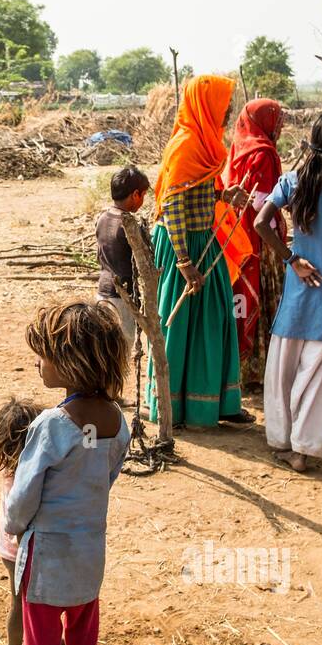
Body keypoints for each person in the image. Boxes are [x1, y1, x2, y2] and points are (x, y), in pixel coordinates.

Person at [2, 301, 131, 645]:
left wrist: (13, 527)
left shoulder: (51, 425)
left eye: (44, 353)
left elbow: (22, 497)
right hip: (89, 558)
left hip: (47, 562)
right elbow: (106, 477)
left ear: (72, 362)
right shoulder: (118, 422)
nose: (37, 362)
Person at [253, 112, 322, 472]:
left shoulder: (291, 181)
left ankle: (283, 441)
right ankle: (303, 450)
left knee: (282, 368)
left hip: (299, 286)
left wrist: (293, 259)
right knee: (318, 375)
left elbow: (260, 223)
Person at [144, 75, 254, 428]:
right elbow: (172, 207)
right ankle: (174, 406)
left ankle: (214, 405)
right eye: (223, 104)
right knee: (179, 325)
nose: (228, 112)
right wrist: (185, 263)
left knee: (214, 317)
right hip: (182, 245)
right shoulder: (186, 145)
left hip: (201, 240)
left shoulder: (205, 142)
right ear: (205, 105)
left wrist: (225, 195)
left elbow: (196, 194)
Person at [216, 98, 285, 390]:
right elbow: (264, 201)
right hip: (259, 237)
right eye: (278, 120)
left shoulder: (237, 149)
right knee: (265, 295)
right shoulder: (264, 153)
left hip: (235, 238)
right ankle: (261, 371)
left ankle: (239, 372)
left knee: (240, 296)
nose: (280, 126)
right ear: (266, 122)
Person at [0, 396, 44, 645]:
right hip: (16, 550)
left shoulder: (19, 468)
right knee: (20, 600)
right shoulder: (19, 477)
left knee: (40, 595)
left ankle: (48, 639)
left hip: (22, 547)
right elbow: (19, 522)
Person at [95, 165, 149, 355]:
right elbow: (146, 263)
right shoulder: (129, 224)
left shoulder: (102, 218)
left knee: (104, 350)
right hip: (122, 296)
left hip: (102, 292)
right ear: (135, 194)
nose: (142, 200)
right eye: (143, 195)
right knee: (122, 351)